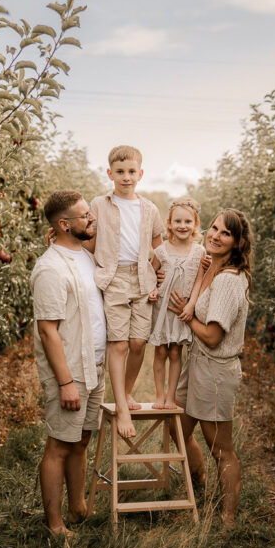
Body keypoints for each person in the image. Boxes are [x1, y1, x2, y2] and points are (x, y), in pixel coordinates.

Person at [169, 208, 253, 528]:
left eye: (226, 233)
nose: (216, 235)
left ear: (237, 242)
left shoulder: (230, 281)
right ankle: (199, 481)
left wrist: (188, 318)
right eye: (214, 228)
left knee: (220, 447)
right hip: (196, 363)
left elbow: (215, 337)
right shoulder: (213, 268)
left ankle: (227, 517)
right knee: (176, 427)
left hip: (216, 369)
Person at [30, 189, 107, 536]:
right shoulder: (50, 268)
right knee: (59, 446)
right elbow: (48, 331)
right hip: (71, 371)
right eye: (84, 216)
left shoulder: (85, 256)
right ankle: (55, 524)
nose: (91, 219)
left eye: (90, 213)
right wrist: (65, 383)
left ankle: (77, 509)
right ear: (63, 224)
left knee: (81, 441)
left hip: (94, 366)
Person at [88, 145, 164, 439]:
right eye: (120, 172)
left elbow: (159, 247)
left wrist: (162, 276)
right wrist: (63, 240)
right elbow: (89, 240)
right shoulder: (99, 205)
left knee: (138, 342)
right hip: (114, 276)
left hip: (142, 277)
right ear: (110, 174)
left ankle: (127, 392)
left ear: (140, 174)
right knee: (118, 344)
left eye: (132, 172)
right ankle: (121, 407)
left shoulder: (150, 209)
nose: (126, 177)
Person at [148, 198, 207, 409]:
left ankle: (171, 397)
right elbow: (151, 274)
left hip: (181, 308)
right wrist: (153, 289)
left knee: (175, 352)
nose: (183, 226)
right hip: (163, 307)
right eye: (178, 221)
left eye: (188, 222)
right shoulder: (161, 251)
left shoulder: (199, 252)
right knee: (161, 351)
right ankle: (159, 396)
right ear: (169, 224)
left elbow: (199, 280)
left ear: (195, 225)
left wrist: (191, 305)